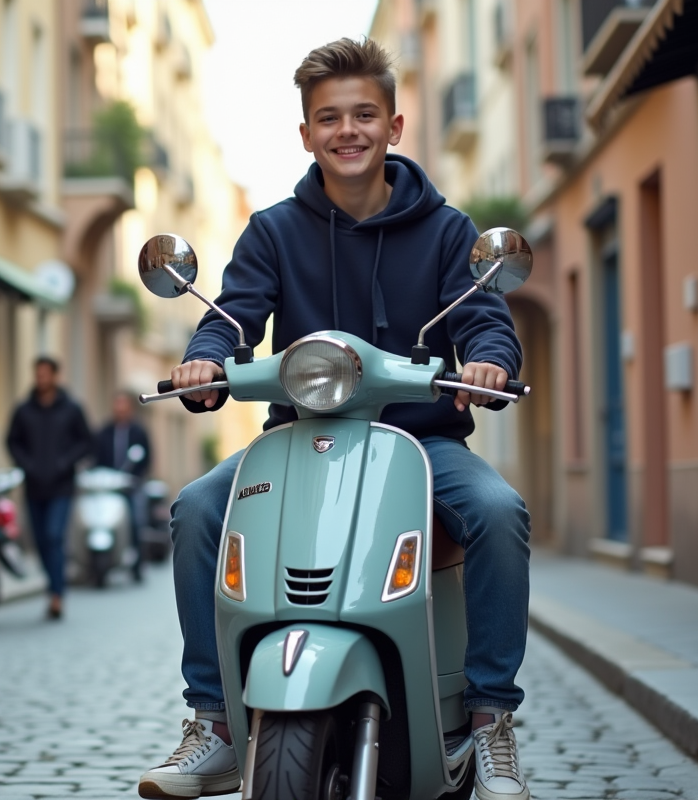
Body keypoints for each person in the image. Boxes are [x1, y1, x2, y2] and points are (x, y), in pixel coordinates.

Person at [137, 38, 531, 800]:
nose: (346, 130)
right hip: (296, 441)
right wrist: (205, 362)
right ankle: (215, 720)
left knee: (497, 510)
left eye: (362, 115)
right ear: (306, 134)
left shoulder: (448, 230)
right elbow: (232, 317)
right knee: (193, 510)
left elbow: (485, 321)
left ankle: (490, 720)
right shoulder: (275, 230)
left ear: (394, 124)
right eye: (328, 118)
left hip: (418, 443)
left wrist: (488, 364)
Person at [6, 356, 93, 621]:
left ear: (55, 376)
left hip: (61, 486)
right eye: (37, 374)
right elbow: (12, 442)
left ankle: (57, 594)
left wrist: (65, 462)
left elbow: (86, 442)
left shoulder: (71, 408)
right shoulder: (24, 410)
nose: (41, 379)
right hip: (34, 486)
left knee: (55, 536)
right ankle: (52, 587)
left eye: (45, 374)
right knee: (42, 541)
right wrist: (27, 464)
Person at [94, 390, 153, 582]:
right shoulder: (104, 431)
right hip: (109, 485)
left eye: (123, 404)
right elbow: (96, 457)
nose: (119, 409)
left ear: (129, 408)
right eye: (116, 404)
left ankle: (137, 563)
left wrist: (135, 477)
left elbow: (147, 458)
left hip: (131, 485)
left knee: (136, 521)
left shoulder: (138, 431)